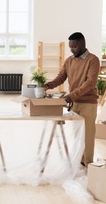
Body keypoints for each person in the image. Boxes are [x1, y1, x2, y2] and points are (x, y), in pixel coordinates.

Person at [43, 32, 100, 167]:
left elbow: (90, 83)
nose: (71, 49)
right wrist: (46, 86)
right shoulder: (69, 60)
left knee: (88, 135)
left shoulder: (93, 60)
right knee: (77, 134)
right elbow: (61, 77)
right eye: (70, 47)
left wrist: (71, 96)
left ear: (82, 45)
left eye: (74, 46)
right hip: (74, 102)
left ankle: (88, 165)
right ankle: (79, 162)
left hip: (88, 103)